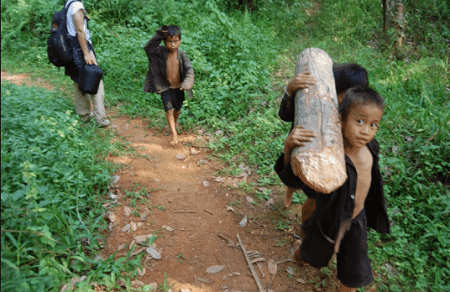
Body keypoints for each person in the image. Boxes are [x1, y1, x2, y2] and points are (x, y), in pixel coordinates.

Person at [274, 86, 390, 292]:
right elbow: (298, 178)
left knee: (353, 274)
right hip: (329, 218)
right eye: (359, 121)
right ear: (340, 119)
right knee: (313, 252)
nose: (366, 131)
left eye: (374, 125)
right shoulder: (329, 154)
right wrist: (288, 148)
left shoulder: (372, 148)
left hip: (356, 221)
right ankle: (299, 252)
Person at [279, 64, 369, 239]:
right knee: (292, 176)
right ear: (334, 87)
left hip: (324, 160)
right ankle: (290, 189)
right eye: (343, 97)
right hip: (301, 147)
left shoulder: (355, 111)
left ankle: (303, 236)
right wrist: (289, 91)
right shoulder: (311, 96)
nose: (347, 102)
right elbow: (285, 115)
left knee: (313, 200)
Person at [144, 25, 194, 145]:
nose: (172, 45)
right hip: (165, 87)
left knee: (177, 108)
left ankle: (175, 122)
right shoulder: (160, 52)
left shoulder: (182, 55)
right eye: (169, 41)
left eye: (175, 41)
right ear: (164, 42)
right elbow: (148, 48)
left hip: (179, 88)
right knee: (169, 109)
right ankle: (174, 133)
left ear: (180, 41)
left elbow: (189, 70)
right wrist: (159, 34)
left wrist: (187, 83)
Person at [64, 0, 110, 127]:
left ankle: (84, 114)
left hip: (72, 49)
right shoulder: (77, 6)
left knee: (79, 80)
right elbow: (80, 30)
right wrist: (86, 53)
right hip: (80, 48)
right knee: (95, 79)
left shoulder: (68, 4)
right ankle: (100, 117)